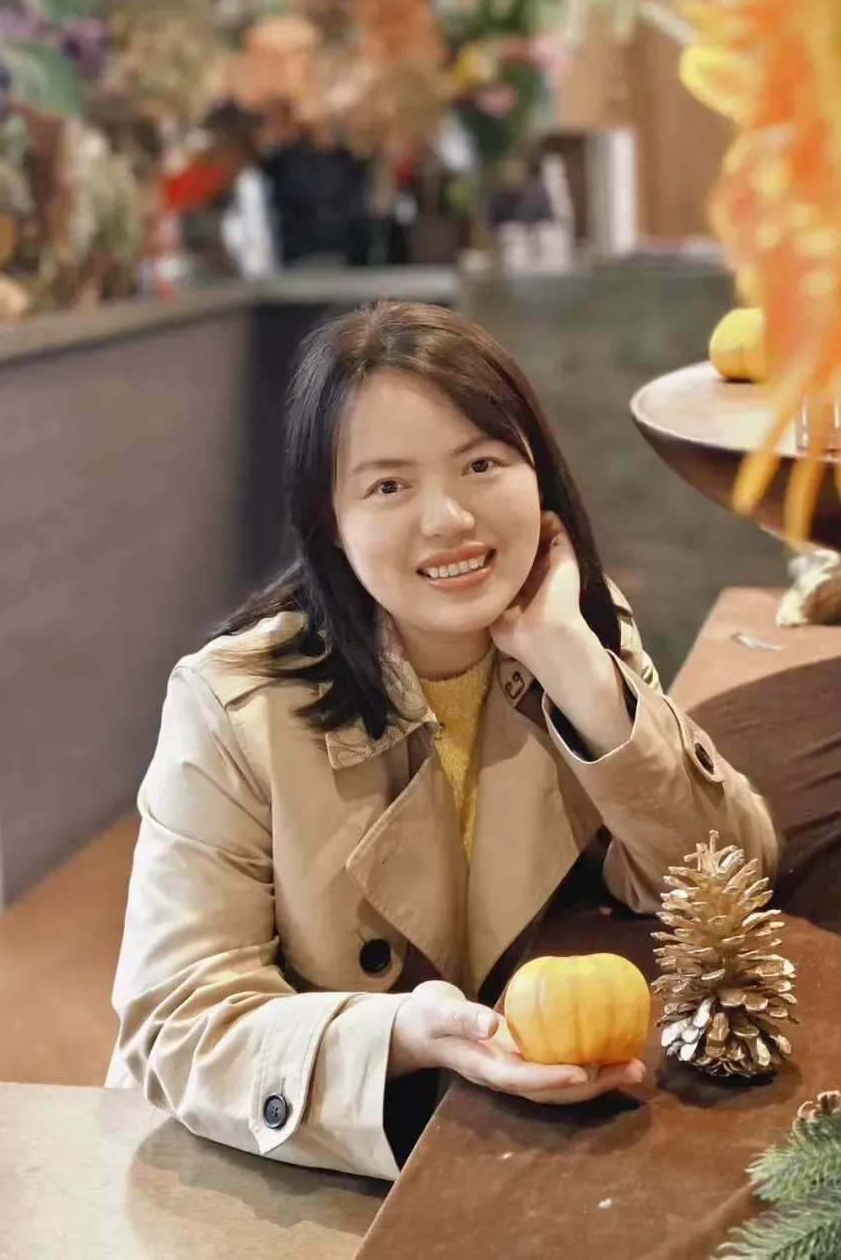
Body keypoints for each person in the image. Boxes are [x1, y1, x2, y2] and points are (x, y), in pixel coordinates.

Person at [107, 301, 778, 1181]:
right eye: (389, 486)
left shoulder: (578, 630)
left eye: (481, 463)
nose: (449, 518)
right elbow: (178, 1021)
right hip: (293, 1168)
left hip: (518, 1144)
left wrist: (579, 672)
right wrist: (399, 1035)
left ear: (539, 475)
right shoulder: (232, 705)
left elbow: (730, 879)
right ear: (329, 520)